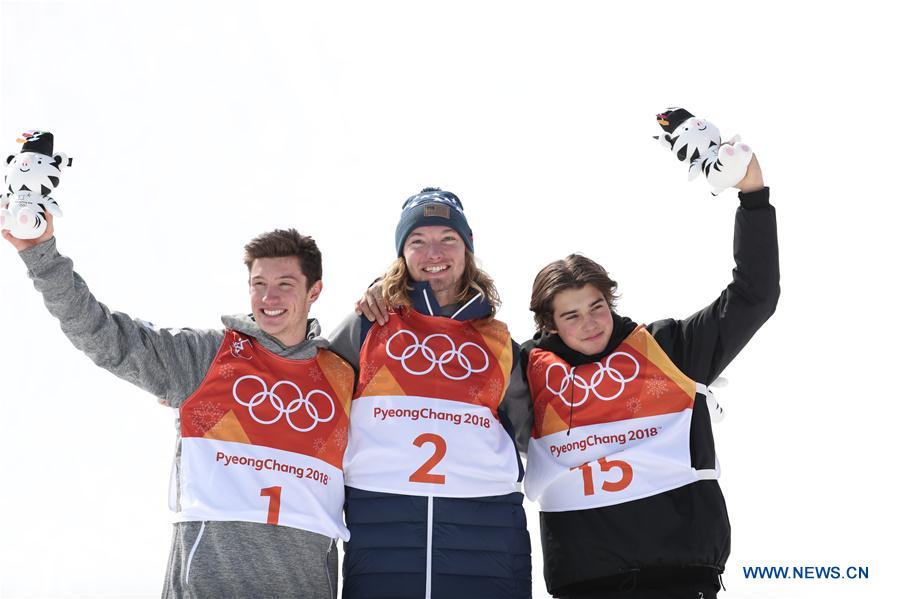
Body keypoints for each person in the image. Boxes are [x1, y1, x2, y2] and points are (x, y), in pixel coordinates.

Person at [3, 219, 355, 598]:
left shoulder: (342, 376)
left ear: (314, 291)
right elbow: (103, 334)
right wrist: (39, 253)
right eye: (259, 285)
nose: (269, 298)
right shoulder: (207, 358)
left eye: (285, 285)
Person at [522, 155, 778, 598]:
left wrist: (752, 196)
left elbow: (755, 296)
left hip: (682, 579)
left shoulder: (670, 349)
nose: (590, 323)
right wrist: (384, 297)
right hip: (587, 583)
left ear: (611, 301)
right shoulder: (526, 370)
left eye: (597, 307)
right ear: (549, 323)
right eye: (572, 315)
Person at [330, 188, 533, 599]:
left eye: (447, 239)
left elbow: (545, 427)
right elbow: (301, 384)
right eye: (417, 241)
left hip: (487, 542)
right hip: (383, 540)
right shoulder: (369, 325)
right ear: (401, 254)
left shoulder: (499, 342)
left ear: (467, 249)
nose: (433, 252)